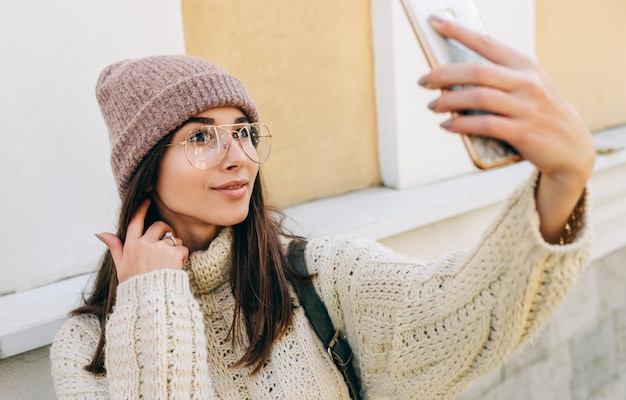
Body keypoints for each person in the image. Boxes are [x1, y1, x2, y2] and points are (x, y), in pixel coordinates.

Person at [50, 17, 595, 399]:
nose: (238, 157)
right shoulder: (85, 347)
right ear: (144, 168)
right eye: (200, 137)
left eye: (244, 131)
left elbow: (453, 311)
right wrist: (154, 299)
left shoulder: (316, 274)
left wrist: (564, 181)